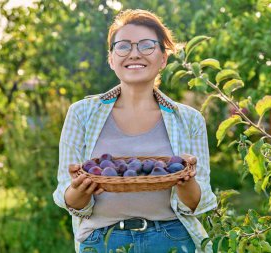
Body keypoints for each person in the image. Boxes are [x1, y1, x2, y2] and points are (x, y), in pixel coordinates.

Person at [53, 9, 217, 253]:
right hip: (103, 241)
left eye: (147, 45)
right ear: (111, 59)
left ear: (163, 58)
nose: (134, 53)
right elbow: (69, 200)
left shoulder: (189, 119)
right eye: (123, 46)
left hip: (172, 239)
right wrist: (79, 189)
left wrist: (186, 180)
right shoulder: (82, 114)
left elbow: (196, 203)